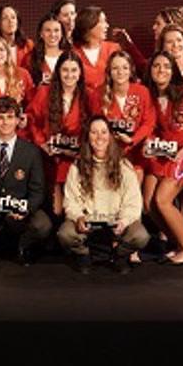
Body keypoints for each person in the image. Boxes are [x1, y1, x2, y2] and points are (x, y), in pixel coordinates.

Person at [59, 115, 150, 274]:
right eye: (94, 132)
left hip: (116, 222)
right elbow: (70, 200)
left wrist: (124, 221)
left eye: (103, 132)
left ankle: (119, 256)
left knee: (140, 235)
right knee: (65, 234)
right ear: (88, 136)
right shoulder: (77, 166)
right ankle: (83, 255)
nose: (99, 137)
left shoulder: (123, 165)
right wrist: (78, 217)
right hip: (88, 221)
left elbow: (133, 202)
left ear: (110, 136)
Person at [0, 97, 51, 265]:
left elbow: (37, 190)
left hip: (19, 207)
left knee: (42, 225)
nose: (5, 122)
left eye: (9, 117)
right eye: (0, 117)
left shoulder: (31, 151)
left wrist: (26, 209)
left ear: (17, 120)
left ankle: (24, 247)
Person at [146, 51, 183, 266]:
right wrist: (151, 143)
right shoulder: (150, 95)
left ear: (174, 71)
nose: (161, 70)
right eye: (156, 66)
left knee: (162, 200)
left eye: (166, 66)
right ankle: (177, 242)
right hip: (163, 154)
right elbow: (150, 126)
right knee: (149, 203)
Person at [96, 51, 154, 264]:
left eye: (123, 67)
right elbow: (95, 125)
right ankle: (114, 241)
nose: (119, 72)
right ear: (109, 72)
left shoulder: (142, 91)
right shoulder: (99, 94)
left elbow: (149, 121)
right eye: (115, 68)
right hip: (109, 155)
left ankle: (131, 244)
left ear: (130, 70)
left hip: (135, 154)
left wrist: (133, 139)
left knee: (132, 198)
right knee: (113, 197)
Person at [28, 53, 87, 216]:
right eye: (65, 70)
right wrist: (42, 143)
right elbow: (32, 121)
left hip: (77, 159)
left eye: (74, 70)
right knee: (56, 210)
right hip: (50, 158)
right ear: (58, 72)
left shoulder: (88, 96)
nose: (69, 75)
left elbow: (95, 127)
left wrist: (80, 149)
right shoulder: (44, 92)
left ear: (80, 72)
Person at [71, 5, 119, 93]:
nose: (107, 26)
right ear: (89, 24)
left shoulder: (114, 49)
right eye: (103, 22)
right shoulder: (72, 54)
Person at [26, 16, 68, 88]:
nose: (52, 34)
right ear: (41, 34)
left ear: (62, 34)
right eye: (48, 30)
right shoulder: (30, 58)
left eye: (56, 30)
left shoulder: (70, 57)